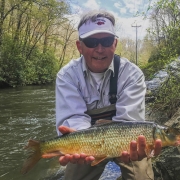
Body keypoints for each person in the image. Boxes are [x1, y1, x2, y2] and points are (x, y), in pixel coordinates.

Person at [55, 9, 162, 180]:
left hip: (125, 142)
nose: (99, 49)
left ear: (115, 44)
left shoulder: (132, 75)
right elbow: (73, 119)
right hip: (87, 143)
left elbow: (130, 124)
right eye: (91, 42)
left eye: (106, 41)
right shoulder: (67, 76)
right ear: (79, 46)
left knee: (141, 174)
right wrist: (86, 146)